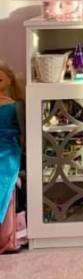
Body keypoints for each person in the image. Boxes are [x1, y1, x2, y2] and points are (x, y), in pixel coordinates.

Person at [0, 61, 23, 240]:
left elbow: (23, 130)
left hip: (9, 148)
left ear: (9, 80)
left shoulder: (16, 105)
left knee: (3, 171)